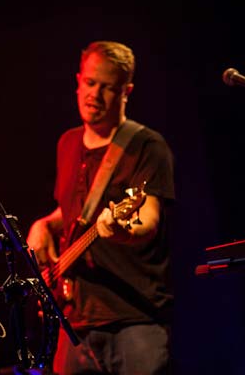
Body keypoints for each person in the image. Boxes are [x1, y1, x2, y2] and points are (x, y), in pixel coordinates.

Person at [26, 41, 175, 375]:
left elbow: (148, 220)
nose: (95, 94)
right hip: (75, 323)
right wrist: (44, 225)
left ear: (126, 91)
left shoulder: (147, 146)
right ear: (78, 81)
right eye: (90, 83)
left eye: (107, 87)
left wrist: (121, 231)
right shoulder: (67, 143)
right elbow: (70, 211)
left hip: (135, 319)